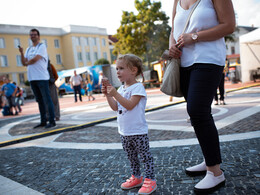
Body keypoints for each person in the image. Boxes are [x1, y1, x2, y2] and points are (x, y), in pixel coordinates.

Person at [169, 0, 235, 193]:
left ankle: (215, 173)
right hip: (184, 63)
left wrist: (195, 37)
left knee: (197, 110)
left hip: (208, 58)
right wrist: (172, 45)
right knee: (198, 115)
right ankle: (209, 158)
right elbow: (173, 28)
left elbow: (229, 25)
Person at [102, 54, 157, 195]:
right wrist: (109, 95)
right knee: (132, 157)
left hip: (138, 131)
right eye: (117, 69)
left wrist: (114, 94)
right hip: (125, 132)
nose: (117, 72)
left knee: (145, 157)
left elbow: (130, 105)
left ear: (133, 70)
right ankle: (137, 177)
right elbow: (115, 107)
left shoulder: (137, 88)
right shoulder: (121, 89)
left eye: (121, 68)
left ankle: (150, 180)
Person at [18, 28, 56, 128]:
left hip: (42, 78)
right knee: (39, 100)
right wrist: (21, 53)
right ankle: (43, 121)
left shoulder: (41, 46)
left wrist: (26, 63)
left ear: (38, 36)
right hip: (32, 78)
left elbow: (35, 59)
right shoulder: (28, 49)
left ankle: (52, 121)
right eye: (31, 34)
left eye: (34, 34)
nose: (33, 36)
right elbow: (23, 62)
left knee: (47, 100)